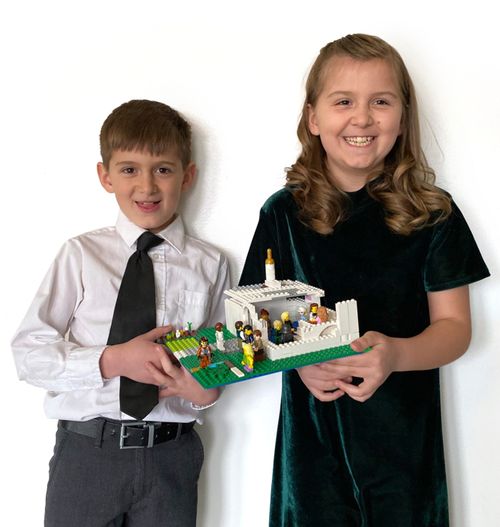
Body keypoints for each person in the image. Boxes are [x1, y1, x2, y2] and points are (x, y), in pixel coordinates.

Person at [239, 34, 490, 527]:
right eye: (343, 102)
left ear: (402, 116)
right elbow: (254, 327)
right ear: (314, 119)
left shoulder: (432, 213)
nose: (362, 118)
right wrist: (300, 362)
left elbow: (455, 328)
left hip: (403, 451)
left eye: (381, 101)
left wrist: (396, 354)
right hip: (312, 452)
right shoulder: (283, 214)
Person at [11, 99, 230, 527]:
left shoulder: (210, 264)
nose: (147, 186)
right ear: (105, 176)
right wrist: (112, 359)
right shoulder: (81, 255)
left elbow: (219, 356)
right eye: (129, 169)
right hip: (88, 454)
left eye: (163, 169)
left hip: (172, 454)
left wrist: (206, 388)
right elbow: (28, 353)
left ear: (187, 176)